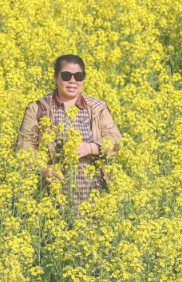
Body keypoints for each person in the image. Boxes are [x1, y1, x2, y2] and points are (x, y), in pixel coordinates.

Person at [16, 55, 122, 213]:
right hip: (52, 195)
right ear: (55, 78)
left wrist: (90, 148)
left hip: (94, 194)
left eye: (79, 76)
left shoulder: (97, 108)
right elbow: (24, 146)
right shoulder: (38, 108)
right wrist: (43, 168)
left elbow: (115, 140)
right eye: (66, 76)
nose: (73, 81)